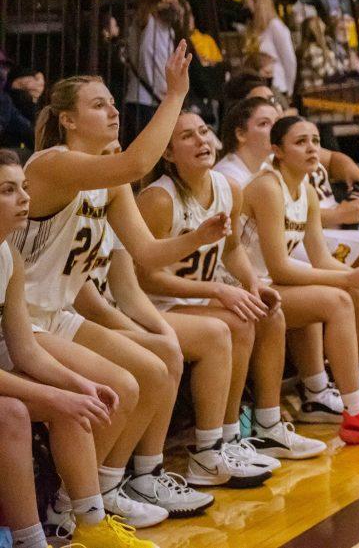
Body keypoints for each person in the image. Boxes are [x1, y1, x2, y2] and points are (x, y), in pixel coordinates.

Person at [12, 58, 233, 528]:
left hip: (57, 314)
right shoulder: (53, 165)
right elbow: (137, 162)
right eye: (99, 105)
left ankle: (101, 488)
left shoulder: (108, 185)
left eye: (114, 103)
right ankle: (70, 506)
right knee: (123, 386)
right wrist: (174, 95)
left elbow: (148, 253)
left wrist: (200, 236)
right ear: (68, 120)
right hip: (18, 318)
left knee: (154, 371)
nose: (113, 112)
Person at [137, 112, 327, 464]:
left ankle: (267, 427)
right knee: (238, 322)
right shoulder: (158, 200)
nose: (201, 141)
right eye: (188, 137)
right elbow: (145, 278)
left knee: (268, 312)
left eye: (204, 131)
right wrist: (218, 291)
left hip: (196, 297)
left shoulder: (228, 188)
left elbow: (233, 249)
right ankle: (221, 438)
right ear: (167, 154)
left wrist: (252, 283)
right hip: (158, 304)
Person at [0, 150, 165, 548]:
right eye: (8, 190)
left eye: (24, 187)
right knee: (15, 413)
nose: (24, 197)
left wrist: (78, 385)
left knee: (76, 399)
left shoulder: (10, 257)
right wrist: (54, 394)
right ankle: (29, 540)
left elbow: (26, 351)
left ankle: (88, 525)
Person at [238, 114, 359, 443]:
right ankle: (355, 412)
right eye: (300, 142)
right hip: (245, 286)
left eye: (315, 140)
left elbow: (321, 258)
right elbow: (280, 268)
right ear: (277, 151)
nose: (312, 148)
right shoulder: (267, 187)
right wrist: (347, 280)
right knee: (339, 299)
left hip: (270, 283)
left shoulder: (307, 191)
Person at [124, 0, 188, 144]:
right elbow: (144, 9)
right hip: (141, 101)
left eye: (176, 3)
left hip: (161, 102)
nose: (172, 6)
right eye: (167, 1)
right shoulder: (146, 22)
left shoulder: (170, 32)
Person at [243, 0, 297, 97]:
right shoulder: (253, 30)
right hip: (257, 86)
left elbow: (289, 60)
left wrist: (290, 90)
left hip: (276, 86)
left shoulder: (275, 26)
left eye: (249, 7)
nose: (247, 10)